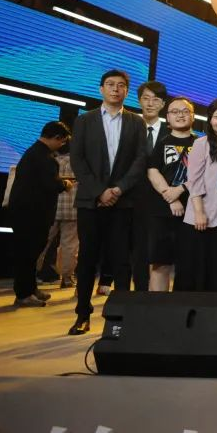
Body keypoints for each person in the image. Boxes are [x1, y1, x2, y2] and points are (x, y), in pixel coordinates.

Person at [68, 70, 148, 335]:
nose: (115, 89)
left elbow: (140, 160)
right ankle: (82, 314)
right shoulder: (84, 120)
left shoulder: (136, 122)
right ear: (101, 89)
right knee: (87, 259)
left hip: (123, 202)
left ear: (127, 91)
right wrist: (100, 191)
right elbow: (77, 160)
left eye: (121, 85)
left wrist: (119, 189)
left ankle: (120, 319)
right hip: (91, 203)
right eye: (111, 85)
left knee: (121, 261)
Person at [178, 98, 217, 293]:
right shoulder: (200, 143)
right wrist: (199, 212)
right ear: (210, 120)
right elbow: (194, 180)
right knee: (196, 269)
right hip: (202, 215)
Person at [10, 121, 72, 307]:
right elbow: (50, 184)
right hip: (32, 214)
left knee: (31, 254)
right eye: (62, 141)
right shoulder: (43, 157)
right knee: (27, 255)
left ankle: (30, 289)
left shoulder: (34, 152)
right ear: (56, 138)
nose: (62, 145)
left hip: (26, 212)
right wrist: (65, 184)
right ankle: (23, 294)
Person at [145, 97, 197, 292]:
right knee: (160, 264)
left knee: (188, 266)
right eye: (175, 112)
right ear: (167, 117)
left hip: (193, 213)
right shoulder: (161, 143)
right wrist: (171, 196)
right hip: (162, 212)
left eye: (185, 111)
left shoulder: (201, 143)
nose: (180, 115)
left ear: (192, 116)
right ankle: (156, 308)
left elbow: (205, 174)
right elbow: (152, 171)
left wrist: (180, 189)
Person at [131, 81, 167, 292]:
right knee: (136, 249)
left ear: (163, 104)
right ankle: (138, 292)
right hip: (131, 197)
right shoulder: (128, 128)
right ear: (139, 101)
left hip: (161, 200)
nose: (150, 103)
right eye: (146, 98)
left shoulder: (170, 132)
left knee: (158, 251)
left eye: (155, 99)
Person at [52, 151, 79, 288]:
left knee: (41, 243)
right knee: (70, 245)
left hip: (51, 207)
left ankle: (30, 275)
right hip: (72, 208)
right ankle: (67, 278)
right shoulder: (79, 160)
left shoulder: (52, 160)